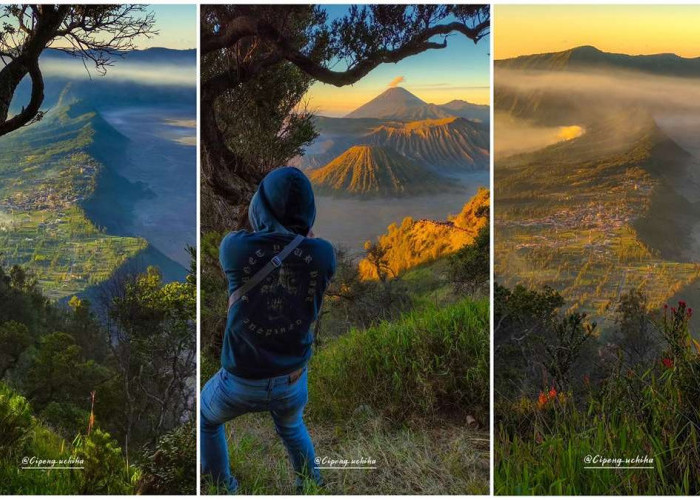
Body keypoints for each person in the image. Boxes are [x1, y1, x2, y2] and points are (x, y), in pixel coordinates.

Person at [200, 166, 336, 493]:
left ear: (261, 206)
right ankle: (311, 486)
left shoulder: (235, 249)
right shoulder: (324, 256)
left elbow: (252, 238)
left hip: (240, 382)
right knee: (292, 427)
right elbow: (305, 246)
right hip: (292, 380)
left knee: (207, 419)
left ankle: (223, 487)